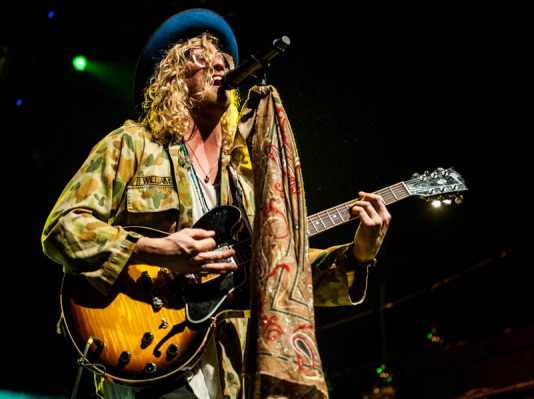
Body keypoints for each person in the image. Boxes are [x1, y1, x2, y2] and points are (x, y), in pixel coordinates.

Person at [41, 9, 390, 399]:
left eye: (224, 60)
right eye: (199, 56)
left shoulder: (243, 182)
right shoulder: (132, 145)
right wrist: (157, 250)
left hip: (228, 370)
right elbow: (62, 229)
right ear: (172, 76)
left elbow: (279, 272)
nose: (219, 63)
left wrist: (359, 254)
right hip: (145, 351)